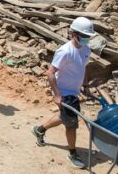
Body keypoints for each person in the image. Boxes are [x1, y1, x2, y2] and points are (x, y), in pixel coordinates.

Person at [31, 17, 96, 169]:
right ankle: (72, 153)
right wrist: (57, 95)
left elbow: (84, 67)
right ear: (75, 34)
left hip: (74, 91)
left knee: (64, 117)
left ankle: (39, 130)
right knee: (71, 124)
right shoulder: (65, 51)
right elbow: (50, 73)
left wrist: (86, 85)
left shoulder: (86, 49)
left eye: (88, 37)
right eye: (84, 36)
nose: (87, 39)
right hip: (65, 92)